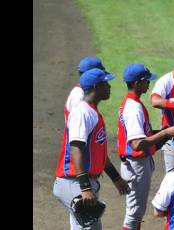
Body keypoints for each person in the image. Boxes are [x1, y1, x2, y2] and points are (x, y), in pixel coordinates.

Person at [53, 68, 130, 230]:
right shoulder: (82, 113)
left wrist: (116, 178)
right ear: (96, 87)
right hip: (73, 182)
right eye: (106, 83)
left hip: (81, 182)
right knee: (88, 227)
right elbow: (76, 148)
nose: (109, 86)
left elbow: (99, 155)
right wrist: (85, 187)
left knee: (89, 227)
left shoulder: (93, 113)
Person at [117, 63, 174, 230]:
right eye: (146, 81)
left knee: (136, 213)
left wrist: (163, 132)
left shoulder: (131, 103)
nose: (149, 83)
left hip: (134, 163)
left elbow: (142, 134)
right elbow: (138, 144)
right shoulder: (133, 108)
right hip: (136, 164)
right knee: (134, 214)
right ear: (137, 83)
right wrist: (165, 134)